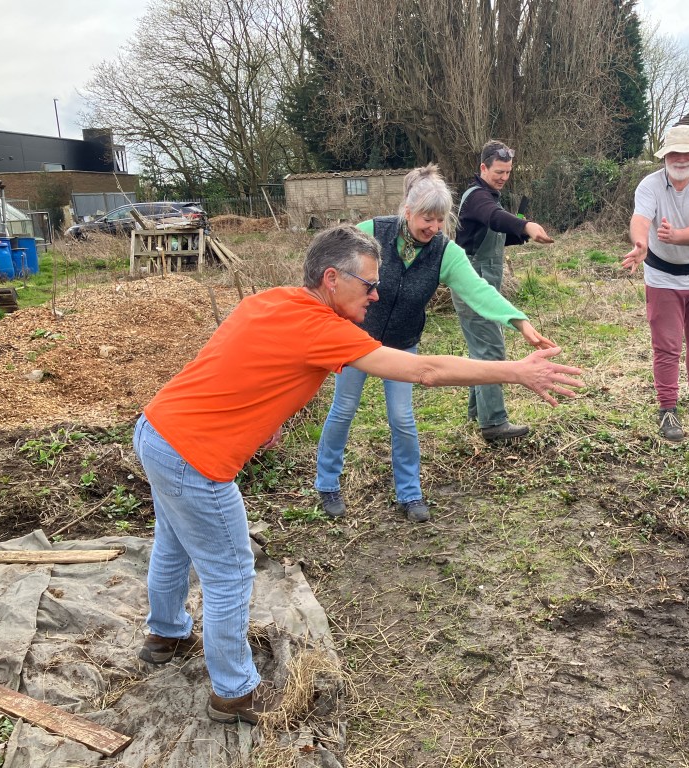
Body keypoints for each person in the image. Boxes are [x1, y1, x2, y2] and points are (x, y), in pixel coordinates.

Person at [132, 224, 582, 726]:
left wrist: (267, 416)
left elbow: (235, 358)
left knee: (173, 541)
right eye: (368, 284)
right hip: (194, 458)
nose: (376, 294)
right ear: (331, 278)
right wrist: (515, 371)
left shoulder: (274, 301)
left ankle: (165, 634)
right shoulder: (323, 328)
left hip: (157, 430)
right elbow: (425, 371)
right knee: (231, 571)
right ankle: (233, 693)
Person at [314, 165, 555, 523]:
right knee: (344, 408)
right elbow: (327, 261)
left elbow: (478, 290)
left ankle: (409, 492)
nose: (434, 227)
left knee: (402, 418)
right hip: (356, 339)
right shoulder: (372, 233)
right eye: (427, 218)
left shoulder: (444, 252)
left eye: (440, 220)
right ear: (408, 211)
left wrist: (519, 320)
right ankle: (327, 483)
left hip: (402, 344)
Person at [621, 124, 689, 443]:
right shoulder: (650, 185)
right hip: (662, 277)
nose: (681, 159)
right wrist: (641, 243)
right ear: (665, 156)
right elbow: (640, 219)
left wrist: (676, 236)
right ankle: (667, 409)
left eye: (688, 153)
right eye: (674, 153)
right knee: (666, 346)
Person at [454, 140, 555, 443]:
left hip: (483, 284)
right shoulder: (477, 197)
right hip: (474, 285)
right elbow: (494, 218)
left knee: (482, 349)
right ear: (483, 168)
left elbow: (493, 234)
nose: (503, 177)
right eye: (498, 171)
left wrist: (521, 234)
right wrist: (526, 226)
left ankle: (477, 413)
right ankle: (494, 423)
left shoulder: (487, 197)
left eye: (508, 172)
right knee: (491, 351)